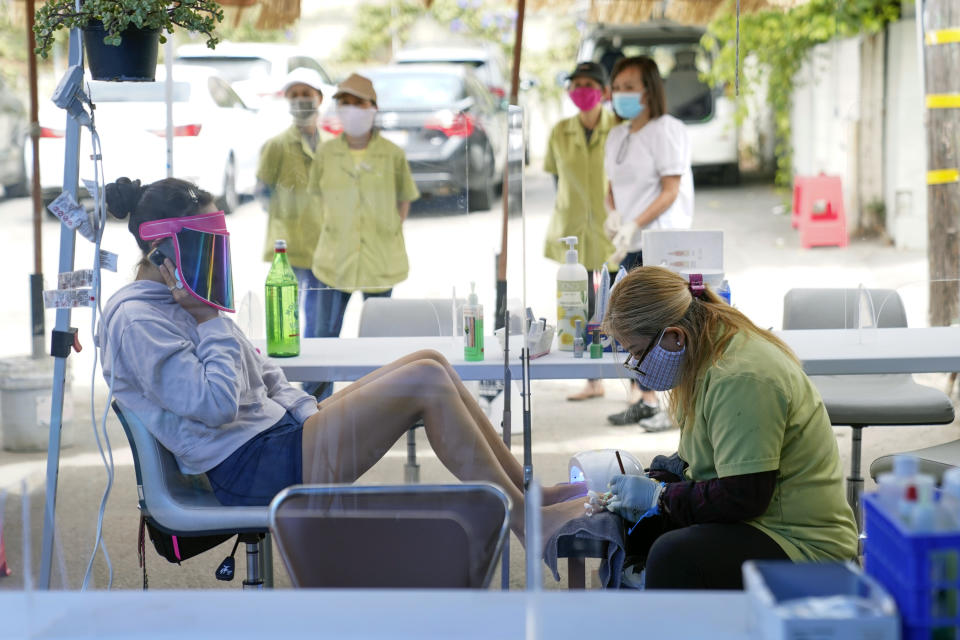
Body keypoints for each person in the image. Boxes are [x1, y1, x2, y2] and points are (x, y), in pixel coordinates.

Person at [97, 177, 584, 545]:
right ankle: (527, 523)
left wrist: (310, 413)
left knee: (430, 361)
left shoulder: (181, 299)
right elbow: (216, 404)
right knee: (425, 383)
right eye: (205, 244)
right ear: (164, 251)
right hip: (248, 469)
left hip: (277, 439)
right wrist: (207, 319)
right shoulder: (140, 320)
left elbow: (264, 372)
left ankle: (526, 493)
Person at [599, 266, 858, 589]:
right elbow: (706, 463)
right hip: (760, 521)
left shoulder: (739, 376)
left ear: (675, 336)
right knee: (637, 534)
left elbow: (743, 496)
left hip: (802, 542)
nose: (637, 366)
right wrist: (662, 481)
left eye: (638, 353)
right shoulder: (706, 356)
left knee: (673, 556)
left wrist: (662, 497)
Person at [306, 73, 420, 401]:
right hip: (333, 259)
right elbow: (316, 198)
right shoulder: (326, 154)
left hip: (381, 258)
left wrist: (388, 227)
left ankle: (378, 407)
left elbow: (405, 197)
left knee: (380, 344)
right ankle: (314, 411)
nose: (352, 109)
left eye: (359, 103)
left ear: (373, 109)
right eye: (345, 103)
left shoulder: (392, 154)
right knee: (321, 343)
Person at [604, 56, 694, 431]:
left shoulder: (666, 129)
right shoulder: (618, 135)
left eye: (630, 86)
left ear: (649, 90)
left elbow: (671, 190)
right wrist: (613, 215)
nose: (621, 94)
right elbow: (612, 188)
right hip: (627, 241)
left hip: (660, 242)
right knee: (626, 323)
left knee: (663, 327)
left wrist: (635, 224)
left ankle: (676, 407)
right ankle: (642, 398)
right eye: (617, 86)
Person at [543, 61, 618, 402]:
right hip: (572, 225)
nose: (581, 90)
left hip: (611, 225)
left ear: (603, 91)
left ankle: (635, 384)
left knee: (620, 304)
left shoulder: (619, 127)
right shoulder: (560, 131)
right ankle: (593, 379)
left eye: (589, 83)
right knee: (581, 304)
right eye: (576, 84)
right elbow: (555, 177)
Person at [256, 68, 330, 397]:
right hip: (288, 249)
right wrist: (285, 215)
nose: (301, 100)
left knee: (321, 330)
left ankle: (319, 401)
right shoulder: (275, 146)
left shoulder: (332, 147)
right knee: (286, 327)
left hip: (326, 250)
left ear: (320, 99)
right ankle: (294, 402)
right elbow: (262, 191)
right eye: (294, 94)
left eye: (307, 94)